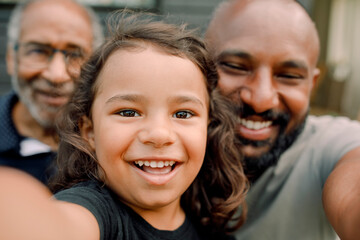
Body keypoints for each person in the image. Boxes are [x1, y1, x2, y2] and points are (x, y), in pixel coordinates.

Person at [0, 10, 248, 240]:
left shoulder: (209, 225)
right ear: (90, 132)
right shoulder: (94, 210)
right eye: (129, 112)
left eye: (183, 114)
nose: (159, 135)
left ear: (208, 127)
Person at [205, 0, 360, 239]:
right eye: (235, 66)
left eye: (288, 75)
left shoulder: (332, 145)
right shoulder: (162, 151)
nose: (261, 99)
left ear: (312, 85)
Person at [0, 0, 104, 184]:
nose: (57, 75)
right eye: (38, 51)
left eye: (75, 54)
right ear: (11, 58)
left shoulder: (108, 144)